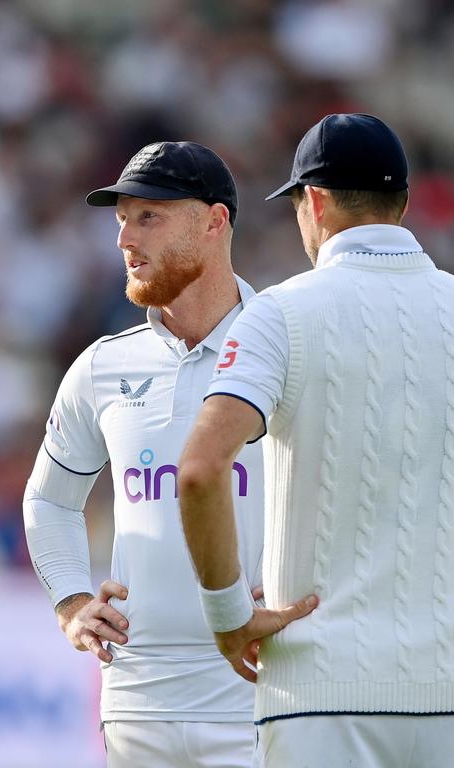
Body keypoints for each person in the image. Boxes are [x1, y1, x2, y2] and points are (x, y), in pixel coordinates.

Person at [178, 112, 454, 767]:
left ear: (317, 203)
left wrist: (227, 618)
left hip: (318, 692)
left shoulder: (279, 313)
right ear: (404, 204)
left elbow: (200, 469)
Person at [23, 141, 271, 767]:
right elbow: (49, 499)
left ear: (215, 221)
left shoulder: (288, 345)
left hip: (261, 693)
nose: (125, 239)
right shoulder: (105, 364)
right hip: (136, 700)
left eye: (149, 217)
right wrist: (71, 602)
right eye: (122, 219)